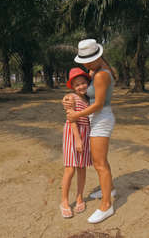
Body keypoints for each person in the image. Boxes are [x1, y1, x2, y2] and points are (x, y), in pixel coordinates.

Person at [64, 39, 116, 224]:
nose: (84, 65)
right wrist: (69, 98)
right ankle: (109, 189)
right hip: (96, 118)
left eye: (87, 61)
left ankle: (106, 205)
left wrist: (76, 115)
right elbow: (85, 93)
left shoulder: (102, 75)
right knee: (101, 161)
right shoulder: (95, 71)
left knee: (99, 163)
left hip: (102, 118)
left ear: (97, 57)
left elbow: (98, 104)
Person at [60, 67, 92, 218]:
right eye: (77, 84)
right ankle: (64, 201)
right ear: (73, 87)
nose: (81, 86)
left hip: (86, 134)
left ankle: (80, 196)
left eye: (83, 83)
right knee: (70, 169)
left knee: (82, 168)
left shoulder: (89, 99)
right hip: (73, 134)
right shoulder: (71, 97)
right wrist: (78, 139)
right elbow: (72, 119)